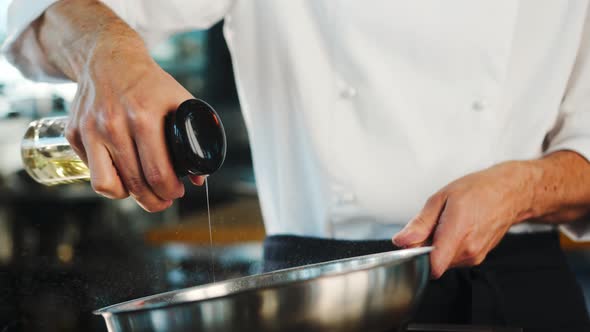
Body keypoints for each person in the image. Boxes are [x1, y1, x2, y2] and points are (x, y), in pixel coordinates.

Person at [4, 1, 590, 330]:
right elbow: (39, 10)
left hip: (515, 296)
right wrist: (107, 52)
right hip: (313, 302)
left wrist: (525, 185)